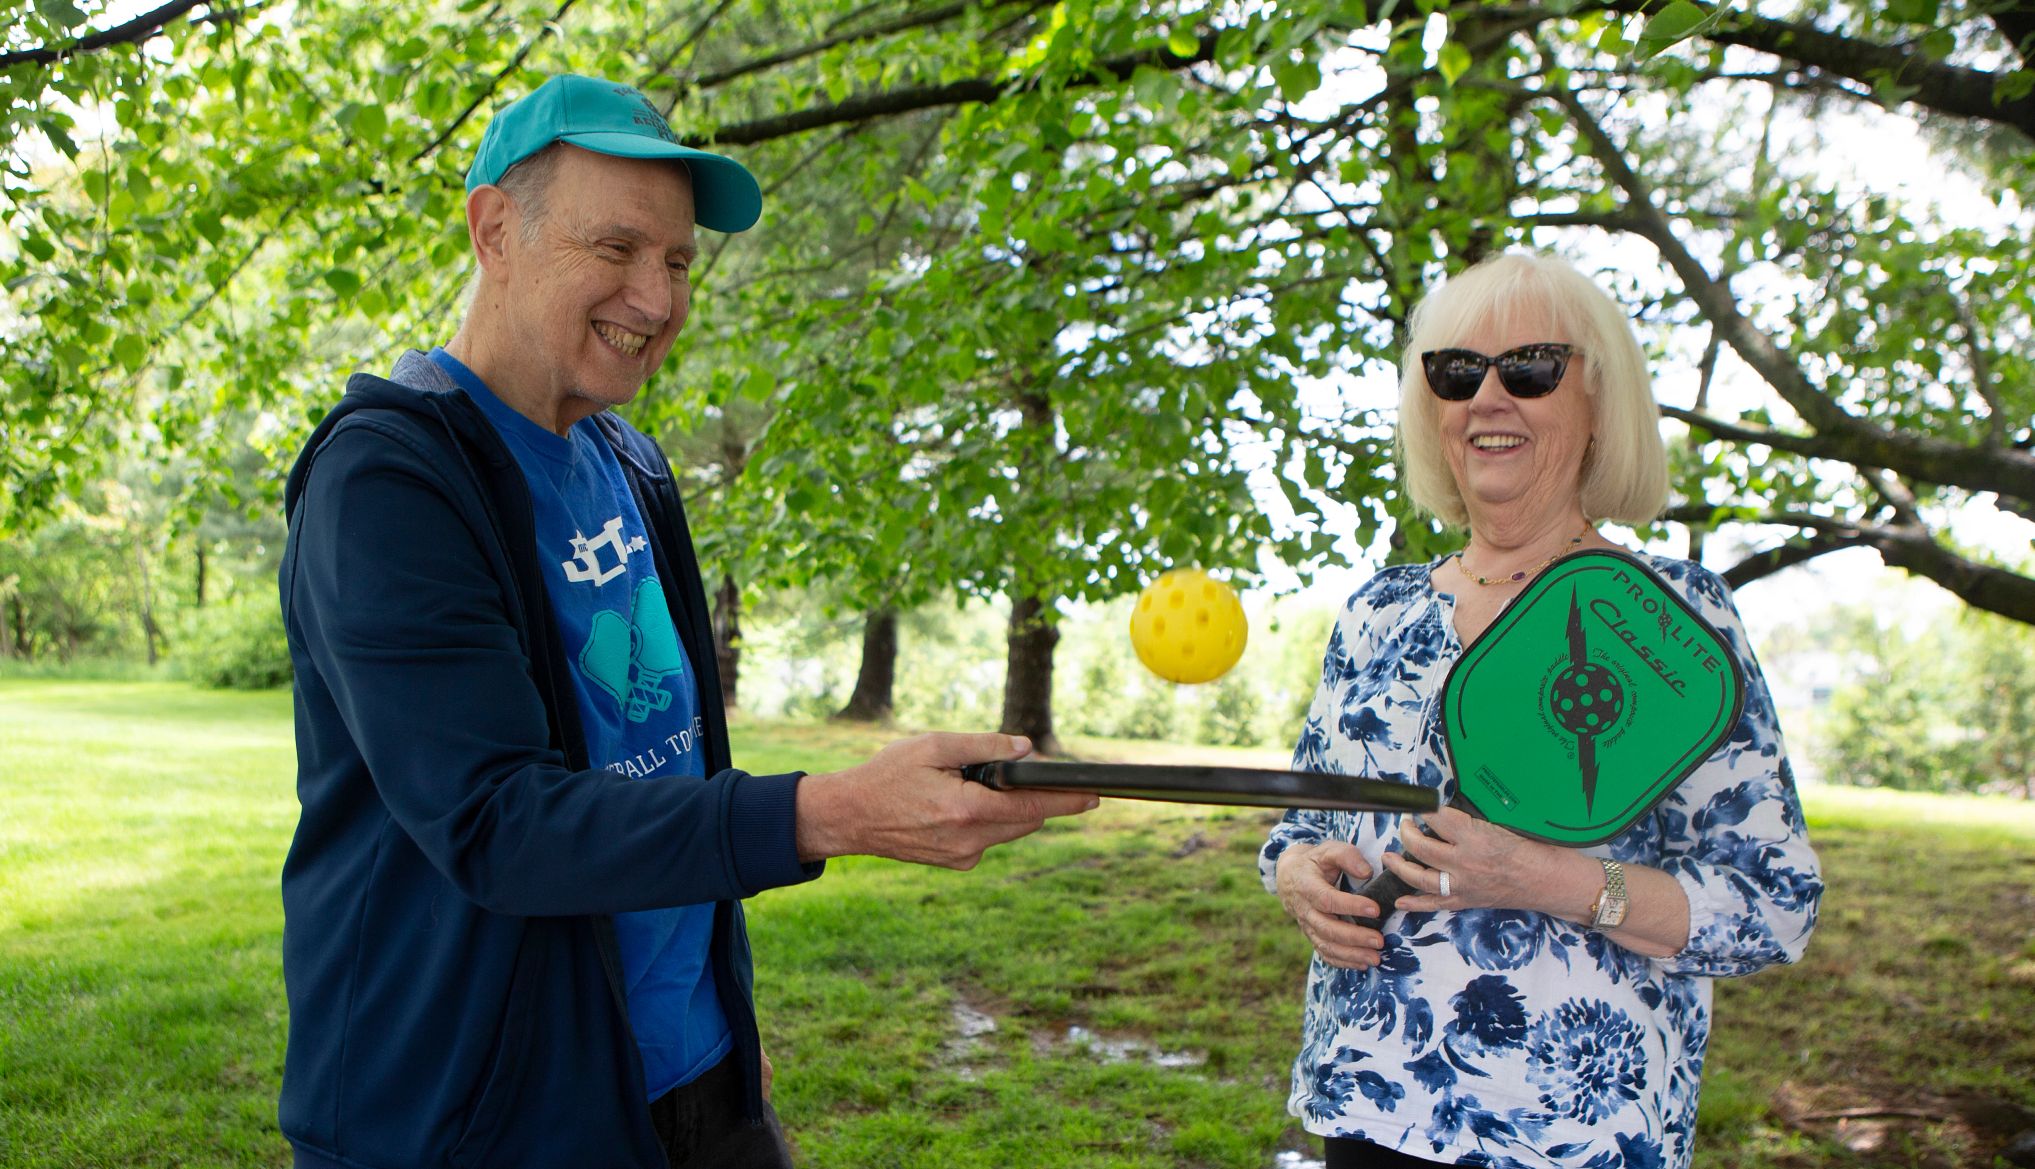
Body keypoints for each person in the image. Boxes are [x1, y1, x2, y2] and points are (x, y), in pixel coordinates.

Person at [276, 74, 1095, 1169]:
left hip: (688, 1079)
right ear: (493, 230)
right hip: (474, 1117)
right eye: (616, 249)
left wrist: (717, 1018)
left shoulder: (628, 460)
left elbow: (663, 756)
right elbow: (497, 822)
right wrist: (828, 812)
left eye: (675, 262)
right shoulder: (389, 480)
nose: (655, 300)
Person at [1259, 251, 1822, 1169]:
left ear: (1597, 401)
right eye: (1454, 372)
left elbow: (1772, 902)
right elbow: (1300, 827)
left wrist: (1546, 880)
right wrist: (1297, 878)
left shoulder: (1674, 620)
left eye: (1528, 367)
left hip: (1572, 1135)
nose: (1487, 397)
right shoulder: (1378, 611)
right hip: (1367, 1107)